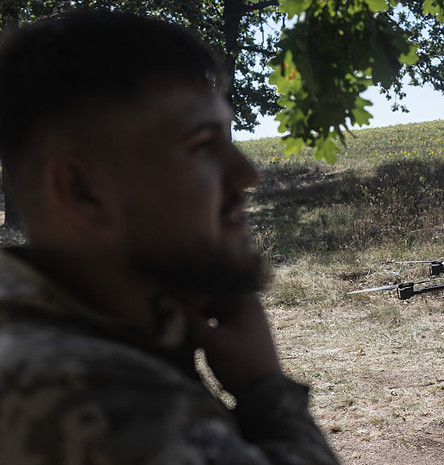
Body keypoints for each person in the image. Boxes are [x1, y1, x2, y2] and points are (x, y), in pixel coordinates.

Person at [0, 10, 339, 465]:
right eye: (201, 145)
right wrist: (267, 393)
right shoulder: (99, 399)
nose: (247, 174)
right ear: (82, 190)